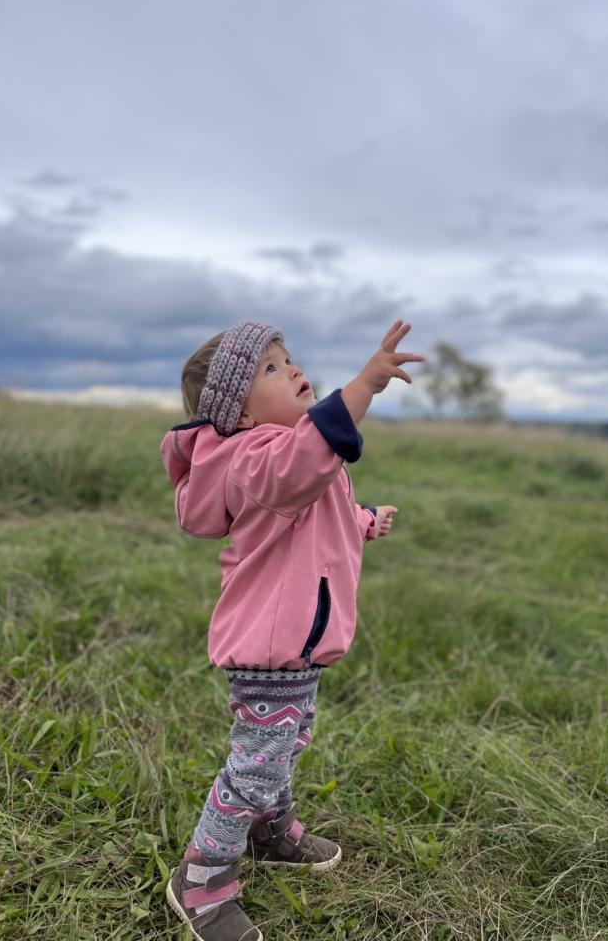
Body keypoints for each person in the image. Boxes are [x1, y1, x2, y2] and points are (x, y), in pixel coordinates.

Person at [160, 318, 424, 941]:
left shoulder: (280, 460)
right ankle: (201, 878)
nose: (294, 370)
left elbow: (315, 505)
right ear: (241, 415)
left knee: (287, 740)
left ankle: (268, 829)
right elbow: (303, 463)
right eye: (270, 369)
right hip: (272, 644)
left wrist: (363, 517)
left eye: (288, 358)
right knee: (257, 760)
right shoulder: (256, 457)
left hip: (297, 643)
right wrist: (363, 385)